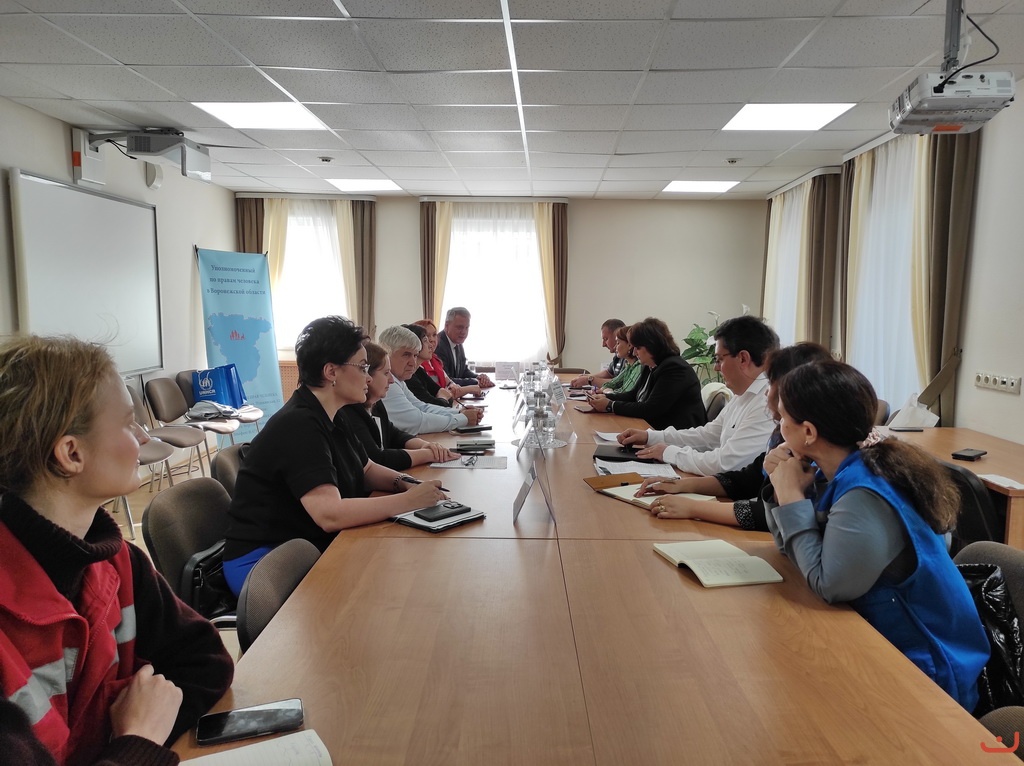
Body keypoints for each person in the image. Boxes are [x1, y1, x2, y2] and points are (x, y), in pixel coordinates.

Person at [0, 335, 233, 766]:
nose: (143, 437)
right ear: (71, 453)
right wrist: (137, 740)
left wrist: (126, 740)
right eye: (128, 423)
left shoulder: (116, 561)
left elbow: (206, 662)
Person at [764, 359, 988, 710]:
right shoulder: (838, 470)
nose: (779, 426)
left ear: (808, 432)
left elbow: (828, 584)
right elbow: (792, 553)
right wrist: (780, 489)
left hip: (927, 673)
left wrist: (791, 497)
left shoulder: (865, 492)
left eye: (782, 418)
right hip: (881, 640)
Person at [223, 316, 447, 595]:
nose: (368, 377)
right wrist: (407, 502)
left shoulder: (334, 413)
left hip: (303, 542)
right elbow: (329, 514)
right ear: (331, 371)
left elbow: (366, 469)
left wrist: (408, 484)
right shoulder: (299, 425)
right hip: (267, 562)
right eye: (362, 367)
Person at [636, 342, 833, 529]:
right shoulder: (782, 435)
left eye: (771, 382)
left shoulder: (816, 455)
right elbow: (747, 479)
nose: (766, 392)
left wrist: (693, 507)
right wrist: (680, 485)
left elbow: (771, 515)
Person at [618, 315, 779, 474]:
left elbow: (725, 463)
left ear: (743, 358)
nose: (716, 367)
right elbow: (708, 436)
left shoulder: (766, 403)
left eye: (719, 359)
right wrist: (650, 437)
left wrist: (669, 453)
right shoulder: (743, 395)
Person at [338, 341, 457, 471]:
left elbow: (394, 434)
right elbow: (377, 458)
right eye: (386, 373)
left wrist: (425, 445)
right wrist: (428, 454)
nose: (391, 380)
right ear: (368, 376)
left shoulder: (376, 404)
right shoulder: (349, 411)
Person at [587, 318, 705, 431]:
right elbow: (633, 395)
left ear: (651, 345)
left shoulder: (674, 368)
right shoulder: (650, 365)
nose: (634, 352)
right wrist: (605, 398)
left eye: (637, 347)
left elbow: (651, 409)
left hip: (678, 435)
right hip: (655, 429)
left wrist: (610, 405)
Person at [379, 325, 484, 434]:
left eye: (415, 355)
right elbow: (417, 422)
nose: (413, 363)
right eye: (406, 355)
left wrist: (459, 412)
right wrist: (463, 418)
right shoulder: (388, 384)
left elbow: (422, 407)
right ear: (386, 354)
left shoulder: (398, 380)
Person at [413, 318, 481, 398]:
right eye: (427, 336)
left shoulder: (435, 361)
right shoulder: (417, 366)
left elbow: (452, 385)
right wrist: (471, 388)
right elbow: (439, 396)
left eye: (434, 335)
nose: (432, 340)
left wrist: (476, 380)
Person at [435, 307, 495, 388]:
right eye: (460, 327)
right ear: (446, 326)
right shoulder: (438, 345)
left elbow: (463, 371)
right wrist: (475, 382)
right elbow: (446, 380)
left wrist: (478, 378)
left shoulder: (458, 342)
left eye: (466, 328)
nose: (463, 332)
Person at [403, 324, 455, 407]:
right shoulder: (408, 377)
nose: (431, 345)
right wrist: (443, 398)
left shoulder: (419, 370)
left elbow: (447, 396)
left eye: (434, 335)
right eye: (425, 341)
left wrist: (442, 398)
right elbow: (433, 405)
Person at [569, 318, 626, 388]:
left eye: (605, 339)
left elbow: (619, 383)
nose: (603, 344)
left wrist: (589, 380)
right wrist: (587, 377)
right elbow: (609, 373)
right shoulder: (618, 355)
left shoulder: (629, 358)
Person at [599, 324, 643, 395]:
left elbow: (624, 393)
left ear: (629, 345)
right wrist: (605, 389)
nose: (615, 347)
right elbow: (612, 383)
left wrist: (607, 392)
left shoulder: (639, 366)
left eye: (618, 343)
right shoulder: (629, 365)